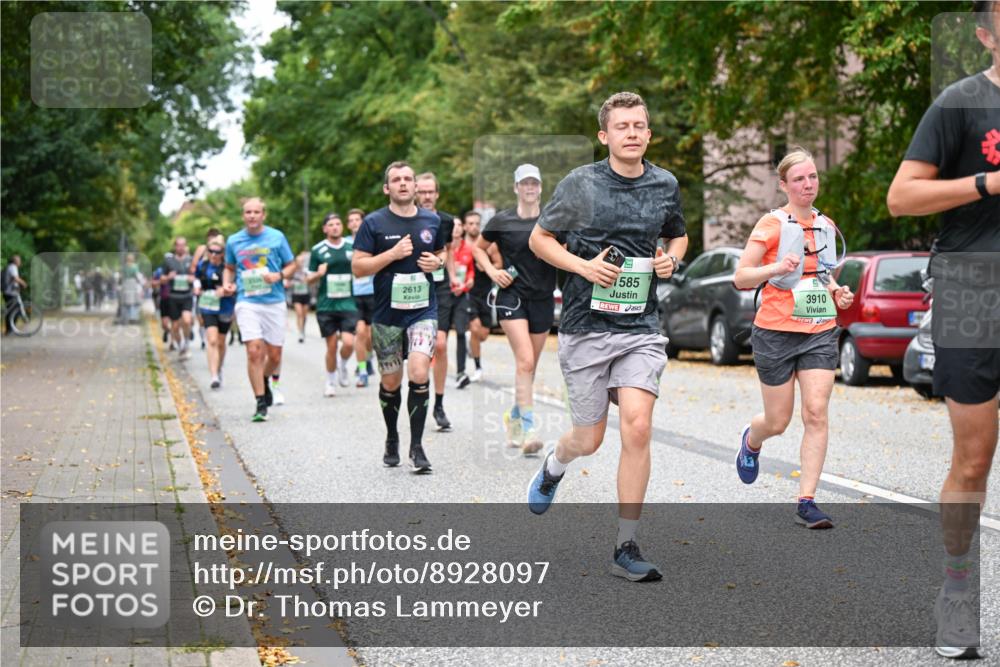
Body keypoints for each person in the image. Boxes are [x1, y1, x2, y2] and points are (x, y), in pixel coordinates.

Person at [525, 92, 688, 582]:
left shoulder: (665, 184)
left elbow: (677, 234)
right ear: (605, 136)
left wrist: (671, 259)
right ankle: (555, 464)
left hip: (640, 327)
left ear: (649, 134)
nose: (633, 133)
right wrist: (583, 266)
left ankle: (626, 545)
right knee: (589, 439)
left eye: (640, 125)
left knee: (637, 426)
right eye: (623, 126)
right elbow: (540, 239)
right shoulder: (581, 184)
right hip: (585, 326)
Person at [886, 2, 999, 659]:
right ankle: (958, 596)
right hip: (972, 292)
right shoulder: (959, 104)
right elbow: (902, 197)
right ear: (985, 35)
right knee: (974, 457)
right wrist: (987, 182)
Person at [732, 147, 854, 531]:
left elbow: (822, 273)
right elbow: (741, 276)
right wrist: (776, 267)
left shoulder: (825, 224)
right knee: (778, 420)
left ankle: (807, 501)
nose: (807, 184)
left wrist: (837, 292)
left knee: (816, 412)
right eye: (799, 179)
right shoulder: (770, 224)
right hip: (776, 332)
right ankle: (752, 440)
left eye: (812, 177)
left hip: (819, 328)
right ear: (784, 184)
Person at [351, 161, 446, 473]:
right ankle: (392, 436)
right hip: (387, 315)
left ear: (416, 186)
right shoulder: (374, 223)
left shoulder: (432, 220)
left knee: (419, 370)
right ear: (386, 188)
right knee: (391, 381)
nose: (403, 183)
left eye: (408, 179)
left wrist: (438, 262)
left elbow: (442, 256)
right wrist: (391, 255)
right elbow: (359, 267)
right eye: (396, 180)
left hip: (423, 311)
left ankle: (417, 447)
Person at [473, 164, 556, 455]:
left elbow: (569, 250)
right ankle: (529, 429)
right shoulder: (502, 220)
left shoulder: (552, 219)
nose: (530, 188)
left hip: (543, 298)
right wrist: (492, 272)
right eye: (525, 183)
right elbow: (478, 248)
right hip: (512, 297)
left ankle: (514, 416)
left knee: (529, 366)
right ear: (516, 188)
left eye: (534, 183)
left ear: (541, 187)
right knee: (524, 362)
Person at [224, 197, 296, 422]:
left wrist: (279, 275)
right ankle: (260, 401)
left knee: (274, 355)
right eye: (248, 212)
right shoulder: (234, 241)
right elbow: (229, 267)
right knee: (254, 351)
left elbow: (292, 264)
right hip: (247, 301)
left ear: (263, 215)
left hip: (274, 301)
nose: (252, 216)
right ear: (243, 215)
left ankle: (265, 378)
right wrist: (227, 283)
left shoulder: (277, 237)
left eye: (256, 212)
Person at [415, 172, 458, 431]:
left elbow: (448, 252)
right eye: (423, 192)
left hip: (440, 286)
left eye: (431, 192)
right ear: (416, 193)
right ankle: (418, 392)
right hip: (413, 287)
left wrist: (452, 278)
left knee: (440, 345)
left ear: (437, 194)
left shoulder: (446, 221)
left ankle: (439, 404)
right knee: (418, 352)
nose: (427, 196)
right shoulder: (408, 219)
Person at [308, 213, 358, 397]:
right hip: (326, 305)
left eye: (338, 224)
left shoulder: (352, 247)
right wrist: (318, 274)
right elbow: (308, 279)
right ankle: (330, 381)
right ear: (325, 229)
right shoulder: (318, 250)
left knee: (348, 342)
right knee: (330, 346)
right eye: (331, 224)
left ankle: (343, 365)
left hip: (348, 303)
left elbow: (361, 268)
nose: (335, 227)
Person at [464, 210, 502, 382]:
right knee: (475, 328)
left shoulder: (489, 244)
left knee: (484, 334)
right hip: (468, 293)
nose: (474, 227)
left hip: (485, 292)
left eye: (477, 224)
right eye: (470, 223)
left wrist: (486, 266)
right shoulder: (461, 245)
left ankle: (470, 342)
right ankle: (478, 367)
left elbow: (499, 263)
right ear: (465, 226)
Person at [194, 235, 235, 389]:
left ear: (223, 253)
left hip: (225, 306)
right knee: (211, 340)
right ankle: (213, 376)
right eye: (211, 251)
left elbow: (234, 284)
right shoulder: (203, 265)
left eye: (217, 252)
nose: (213, 255)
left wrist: (226, 290)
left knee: (221, 342)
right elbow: (197, 278)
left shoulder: (228, 267)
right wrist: (197, 287)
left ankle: (219, 368)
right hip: (208, 306)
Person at [346, 208, 375, 388]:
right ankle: (362, 371)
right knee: (360, 332)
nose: (355, 223)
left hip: (372, 293)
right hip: (353, 295)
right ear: (348, 225)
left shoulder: (372, 241)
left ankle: (368, 357)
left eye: (358, 220)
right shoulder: (344, 244)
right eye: (351, 220)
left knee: (371, 337)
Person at [451, 213, 476, 387]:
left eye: (460, 225)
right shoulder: (443, 249)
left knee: (461, 332)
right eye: (454, 225)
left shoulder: (468, 249)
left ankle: (461, 372)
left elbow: (471, 273)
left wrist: (467, 283)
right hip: (444, 296)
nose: (457, 228)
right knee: (440, 337)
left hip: (461, 296)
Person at [160, 238, 195, 360]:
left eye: (183, 245)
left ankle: (186, 344)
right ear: (175, 247)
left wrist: (193, 279)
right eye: (178, 245)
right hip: (173, 296)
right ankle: (180, 347)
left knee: (186, 320)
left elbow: (197, 276)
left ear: (186, 246)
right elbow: (162, 279)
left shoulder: (191, 260)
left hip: (187, 295)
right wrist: (168, 277)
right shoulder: (169, 261)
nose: (180, 248)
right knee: (174, 327)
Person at [288, 251, 312, 343]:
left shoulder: (306, 271)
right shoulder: (293, 271)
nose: (300, 263)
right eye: (299, 261)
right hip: (296, 294)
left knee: (304, 315)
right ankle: (300, 333)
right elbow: (288, 281)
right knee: (299, 314)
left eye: (302, 261)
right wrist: (292, 283)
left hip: (305, 294)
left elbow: (312, 280)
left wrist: (306, 280)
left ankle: (303, 329)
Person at [2, 254, 27, 334]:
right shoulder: (13, 267)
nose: (20, 262)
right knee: (14, 311)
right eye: (19, 260)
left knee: (11, 310)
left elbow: (12, 280)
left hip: (8, 292)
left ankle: (9, 329)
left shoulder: (10, 267)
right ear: (15, 261)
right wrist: (23, 283)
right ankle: (10, 329)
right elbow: (16, 278)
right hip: (10, 293)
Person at [119, 253, 144, 324]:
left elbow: (121, 277)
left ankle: (125, 318)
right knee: (134, 302)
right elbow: (137, 276)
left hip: (125, 284)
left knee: (126, 302)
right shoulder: (135, 266)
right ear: (133, 259)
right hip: (133, 284)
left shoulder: (124, 267)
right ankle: (133, 317)